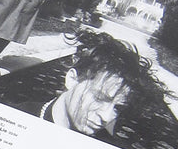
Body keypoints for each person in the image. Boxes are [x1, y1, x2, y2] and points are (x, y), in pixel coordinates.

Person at [25, 34, 160, 140]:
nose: (107, 117)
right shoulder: (21, 117)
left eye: (117, 108)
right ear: (72, 80)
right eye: (99, 98)